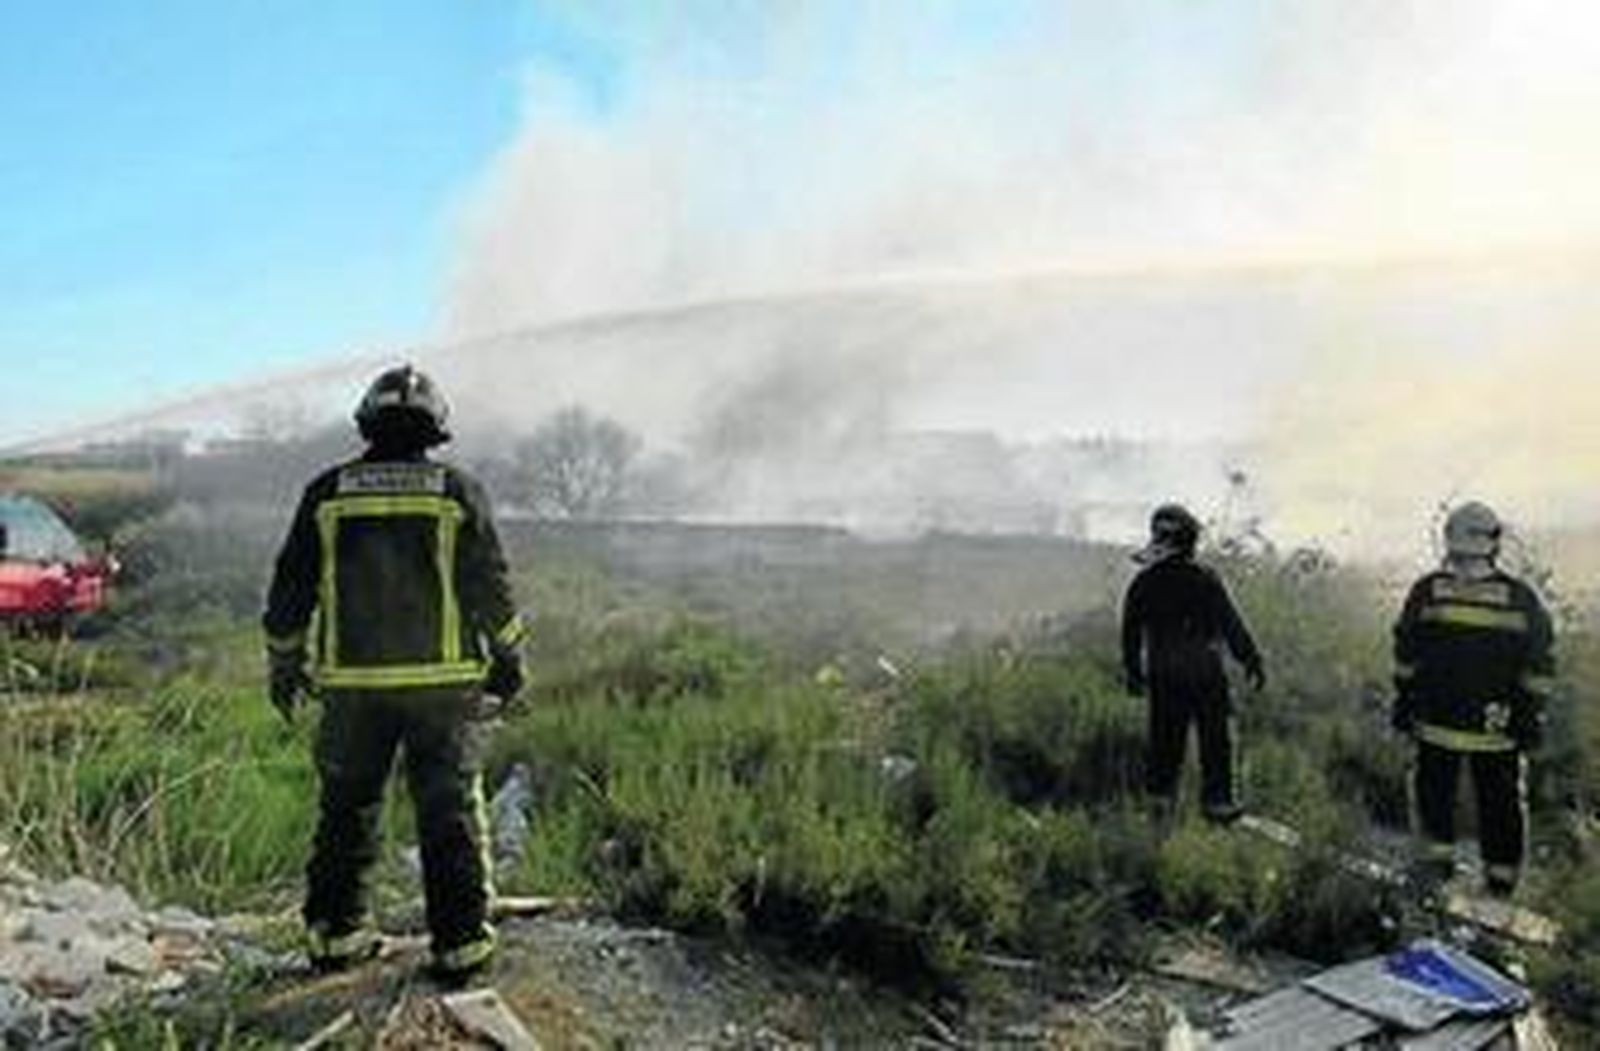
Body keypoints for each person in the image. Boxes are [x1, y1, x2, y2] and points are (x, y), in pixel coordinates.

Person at [263, 365, 526, 981]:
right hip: (442, 689)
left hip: (352, 691)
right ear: (436, 430)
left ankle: (336, 938)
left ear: (366, 423)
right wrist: (510, 660)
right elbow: (492, 587)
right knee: (450, 814)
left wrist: (284, 663)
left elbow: (290, 589)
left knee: (347, 811)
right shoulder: (456, 491)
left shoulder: (326, 493)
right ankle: (460, 949)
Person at [1391, 501, 1553, 899]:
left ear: (1450, 539)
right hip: (1496, 731)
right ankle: (1501, 882)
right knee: (1500, 805)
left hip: (1435, 724)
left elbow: (1406, 654)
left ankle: (1435, 870)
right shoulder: (1520, 599)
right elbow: (1539, 665)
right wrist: (1530, 717)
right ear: (1494, 543)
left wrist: (1405, 702)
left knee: (1434, 796)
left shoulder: (1428, 591)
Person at [1121, 503, 1265, 824]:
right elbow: (1231, 626)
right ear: (1190, 540)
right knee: (1215, 743)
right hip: (1206, 676)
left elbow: (1130, 633)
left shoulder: (1144, 583)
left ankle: (1160, 806)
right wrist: (1251, 660)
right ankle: (1218, 805)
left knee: (1164, 744)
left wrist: (1133, 673)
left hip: (1165, 678)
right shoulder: (1205, 579)